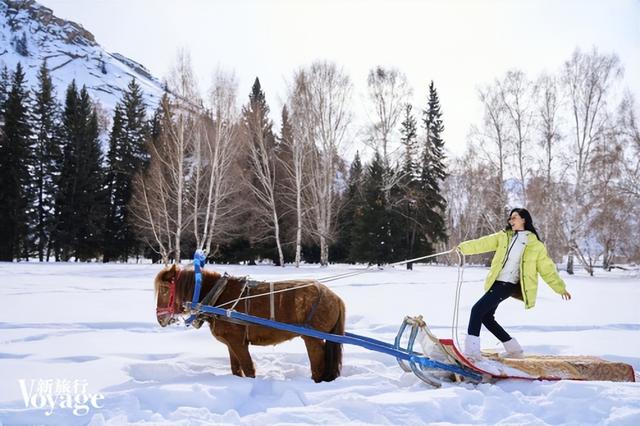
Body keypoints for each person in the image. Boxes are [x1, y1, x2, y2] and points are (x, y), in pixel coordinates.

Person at [457, 208, 571, 360]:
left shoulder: (535, 245)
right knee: (486, 317)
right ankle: (514, 349)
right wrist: (461, 248)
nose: (511, 221)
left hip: (508, 285)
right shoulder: (504, 236)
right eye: (510, 218)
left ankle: (471, 354)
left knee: (477, 310)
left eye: (514, 218)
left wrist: (560, 288)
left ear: (524, 219)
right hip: (496, 282)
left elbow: (547, 269)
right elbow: (482, 243)